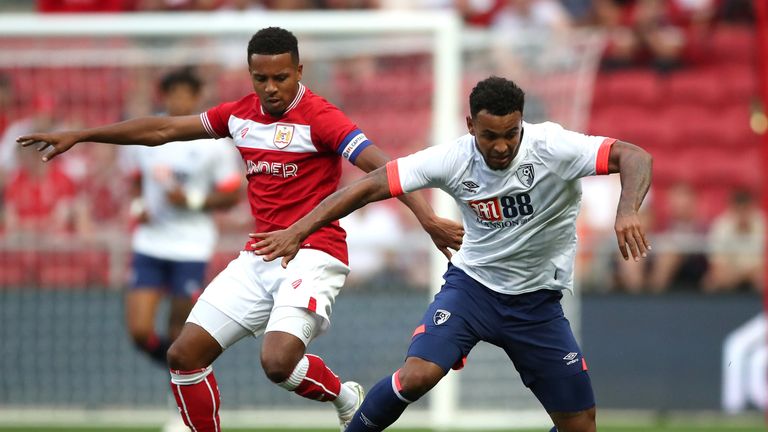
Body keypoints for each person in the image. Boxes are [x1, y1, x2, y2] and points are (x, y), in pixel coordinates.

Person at [17, 27, 463, 432]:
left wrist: (427, 219)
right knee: (183, 356)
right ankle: (330, 398)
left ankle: (345, 395)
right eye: (260, 78)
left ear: (298, 71)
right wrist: (82, 133)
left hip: (315, 251)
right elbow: (163, 129)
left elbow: (383, 168)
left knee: (276, 361)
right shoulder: (239, 115)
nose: (270, 88)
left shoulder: (321, 117)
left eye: (281, 78)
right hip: (261, 254)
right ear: (250, 74)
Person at [250, 76, 653, 432]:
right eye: (489, 135)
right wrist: (299, 230)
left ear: (522, 123)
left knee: (580, 426)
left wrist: (628, 210)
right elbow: (371, 185)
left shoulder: (554, 146)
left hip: (537, 304)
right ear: (470, 125)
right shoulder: (452, 158)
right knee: (416, 377)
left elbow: (635, 156)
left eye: (510, 134)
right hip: (472, 290)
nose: (500, 146)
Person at [120, 68, 243, 368]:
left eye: (186, 94)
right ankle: (179, 371)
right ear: (164, 97)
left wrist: (192, 200)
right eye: (173, 94)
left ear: (197, 97)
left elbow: (231, 194)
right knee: (139, 331)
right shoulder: (148, 135)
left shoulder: (213, 144)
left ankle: (180, 392)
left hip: (191, 246)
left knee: (179, 332)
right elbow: (136, 180)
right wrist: (138, 207)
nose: (179, 100)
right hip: (150, 243)